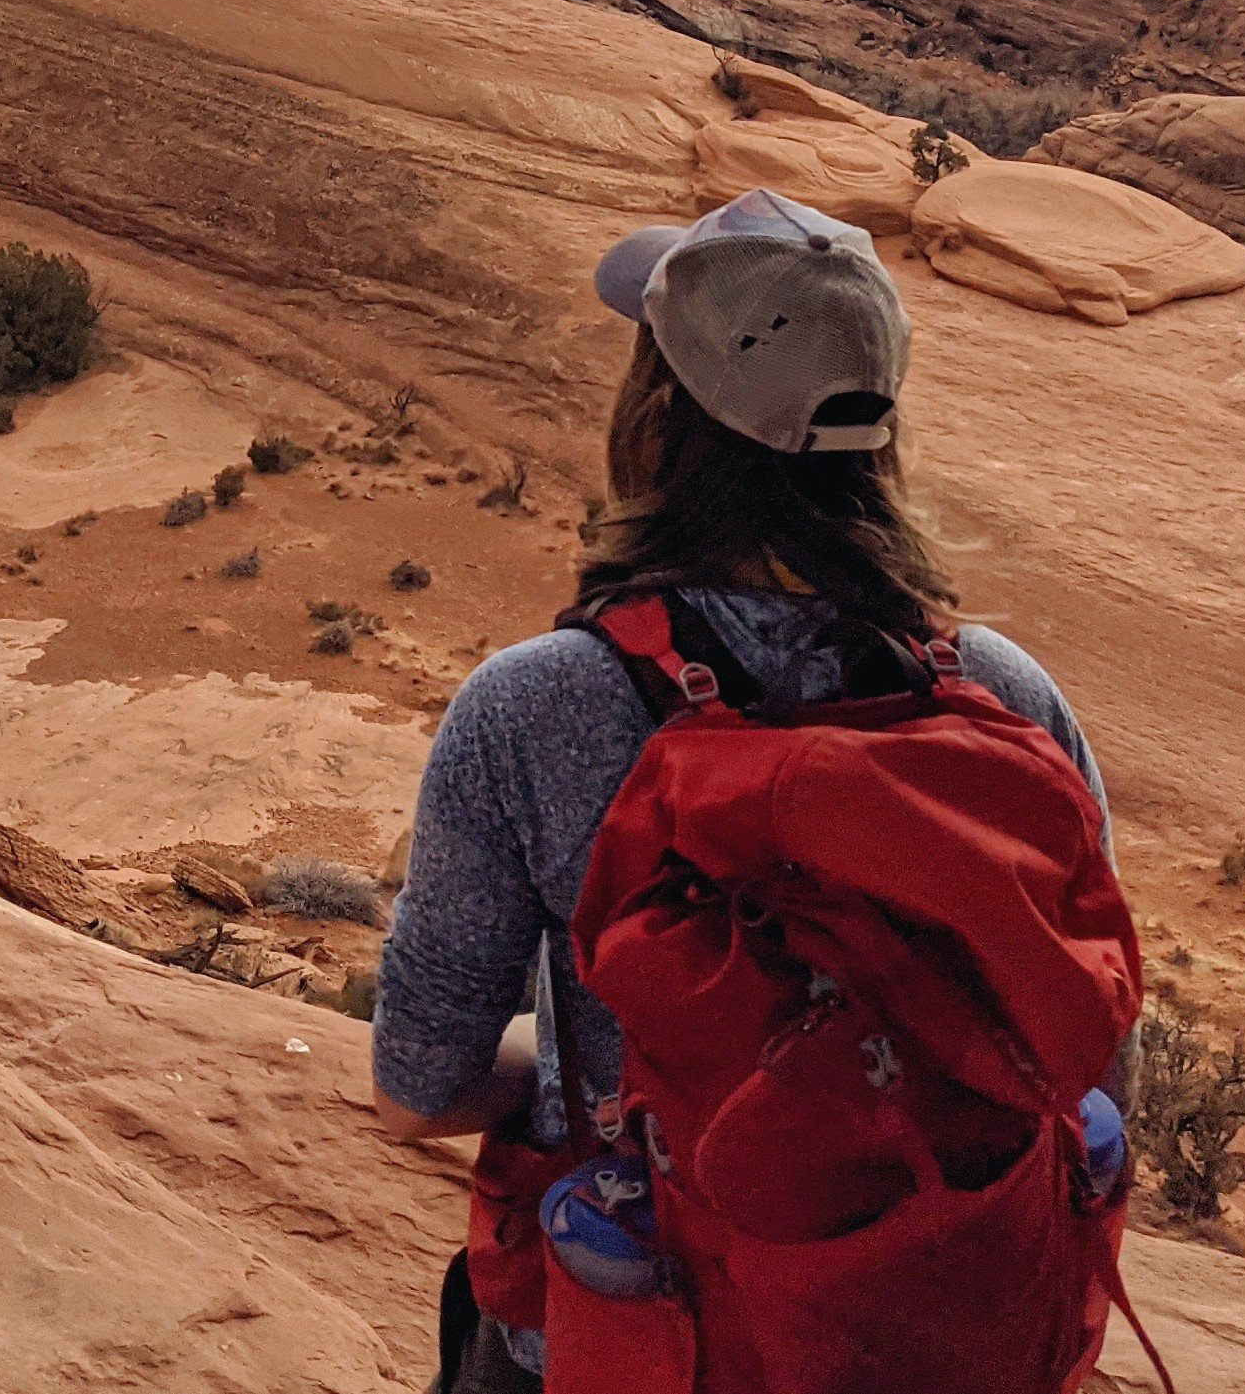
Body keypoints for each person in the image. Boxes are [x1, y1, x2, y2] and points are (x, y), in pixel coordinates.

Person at [373, 188, 1136, 1394]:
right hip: (936, 1337)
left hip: (648, 1339)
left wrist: (576, 1079)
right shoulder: (1000, 695)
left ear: (659, 413)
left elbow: (418, 1089)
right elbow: (1089, 1056)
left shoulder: (535, 708)